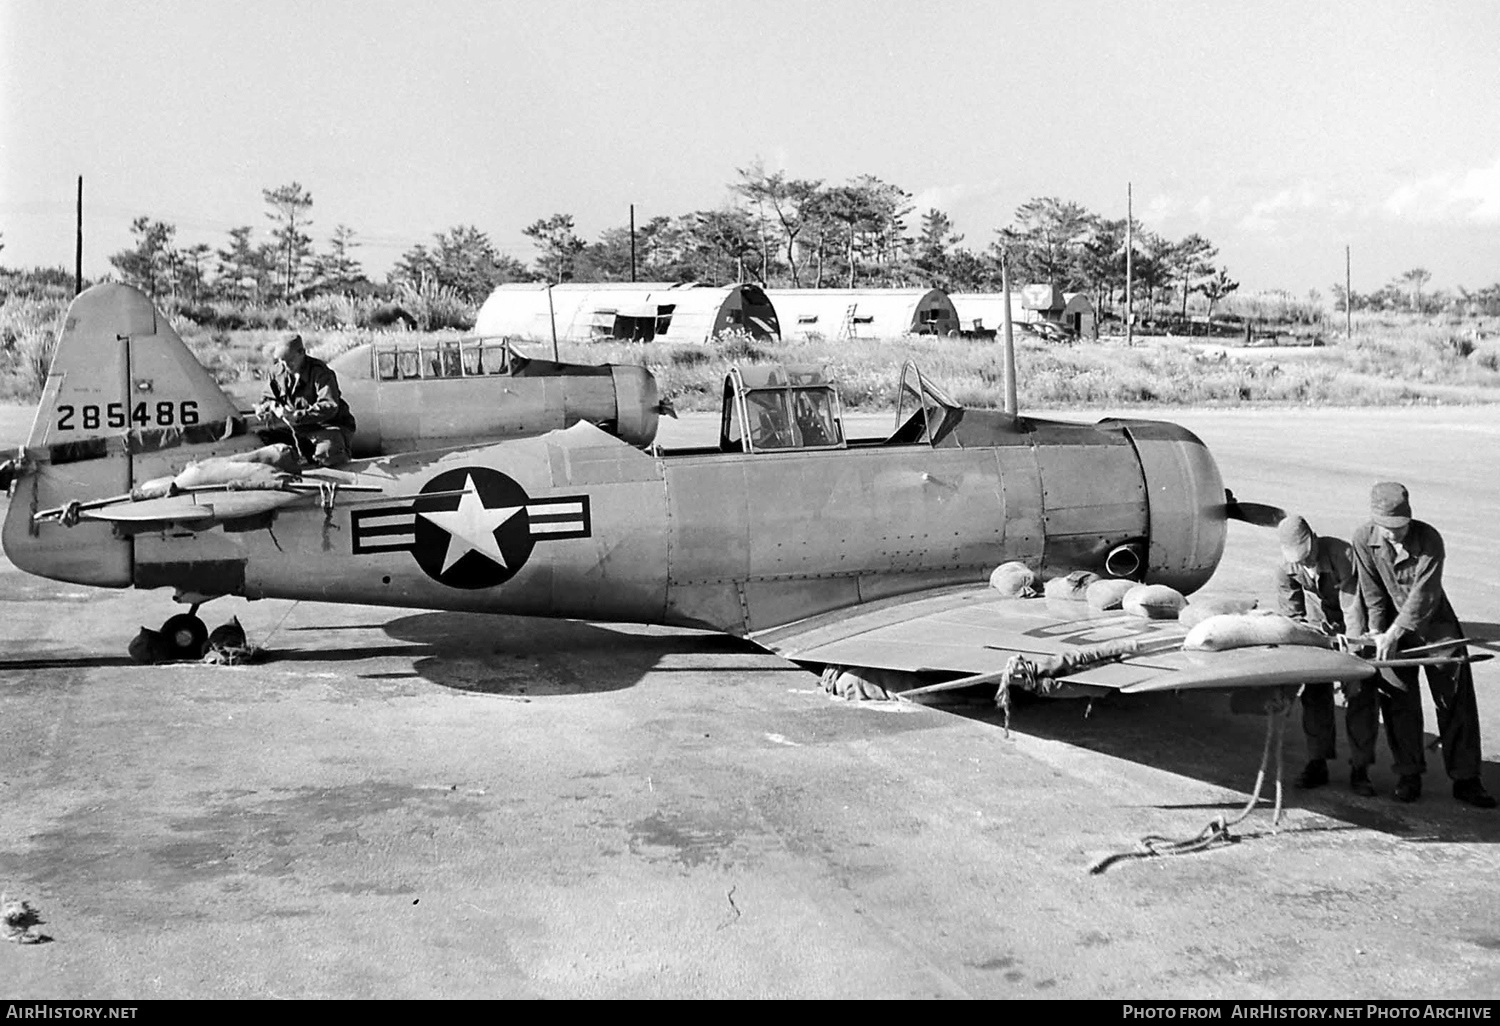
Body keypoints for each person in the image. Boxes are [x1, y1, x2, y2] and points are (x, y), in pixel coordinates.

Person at [1351, 482, 1495, 808]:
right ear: (1375, 522)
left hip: (1436, 625)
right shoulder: (1362, 538)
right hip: (1389, 627)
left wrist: (1396, 631)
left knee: (1454, 698)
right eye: (1387, 529)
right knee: (1398, 698)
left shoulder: (1429, 539)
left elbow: (1425, 595)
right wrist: (1376, 630)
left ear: (1410, 519)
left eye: (1400, 527)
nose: (1394, 535)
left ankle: (1466, 778)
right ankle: (1409, 774)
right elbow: (1371, 588)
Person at [1274, 515, 1377, 796]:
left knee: (1359, 694)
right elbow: (1292, 616)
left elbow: (1353, 605)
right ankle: (1317, 761)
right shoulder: (1286, 568)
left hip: (1355, 629)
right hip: (1320, 630)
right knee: (1315, 694)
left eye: (1308, 555)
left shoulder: (1342, 555)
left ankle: (1360, 768)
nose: (1305, 563)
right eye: (1299, 559)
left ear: (1315, 538)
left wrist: (1352, 656)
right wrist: (1303, 646)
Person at [254, 334, 356, 468]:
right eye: (281, 361)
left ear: (302, 353)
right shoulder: (277, 372)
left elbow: (330, 406)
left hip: (327, 426)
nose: (285, 365)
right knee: (265, 441)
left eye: (290, 360)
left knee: (328, 452)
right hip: (296, 429)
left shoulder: (320, 373)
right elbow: (267, 398)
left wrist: (298, 416)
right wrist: (265, 409)